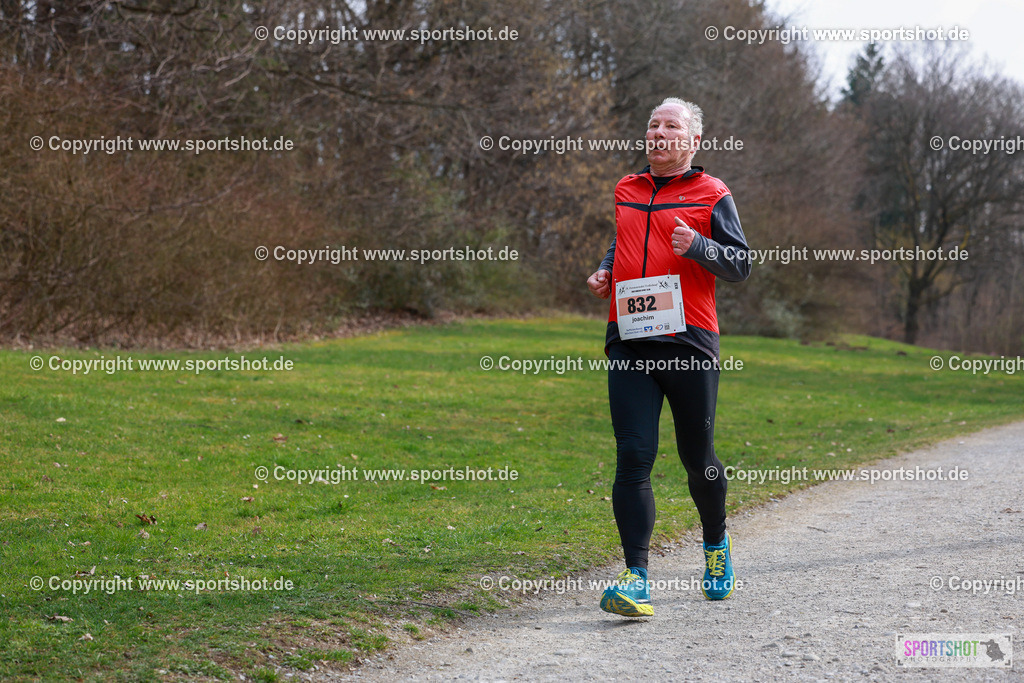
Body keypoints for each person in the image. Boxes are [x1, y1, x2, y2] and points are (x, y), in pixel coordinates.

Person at [587, 97, 751, 617]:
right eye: (654, 124)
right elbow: (625, 242)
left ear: (692, 141)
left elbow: (741, 264)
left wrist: (699, 246)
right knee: (633, 456)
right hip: (630, 337)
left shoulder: (712, 193)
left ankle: (716, 544)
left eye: (671, 126)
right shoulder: (626, 189)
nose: (659, 132)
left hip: (688, 342)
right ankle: (636, 577)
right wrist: (606, 270)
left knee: (695, 457)